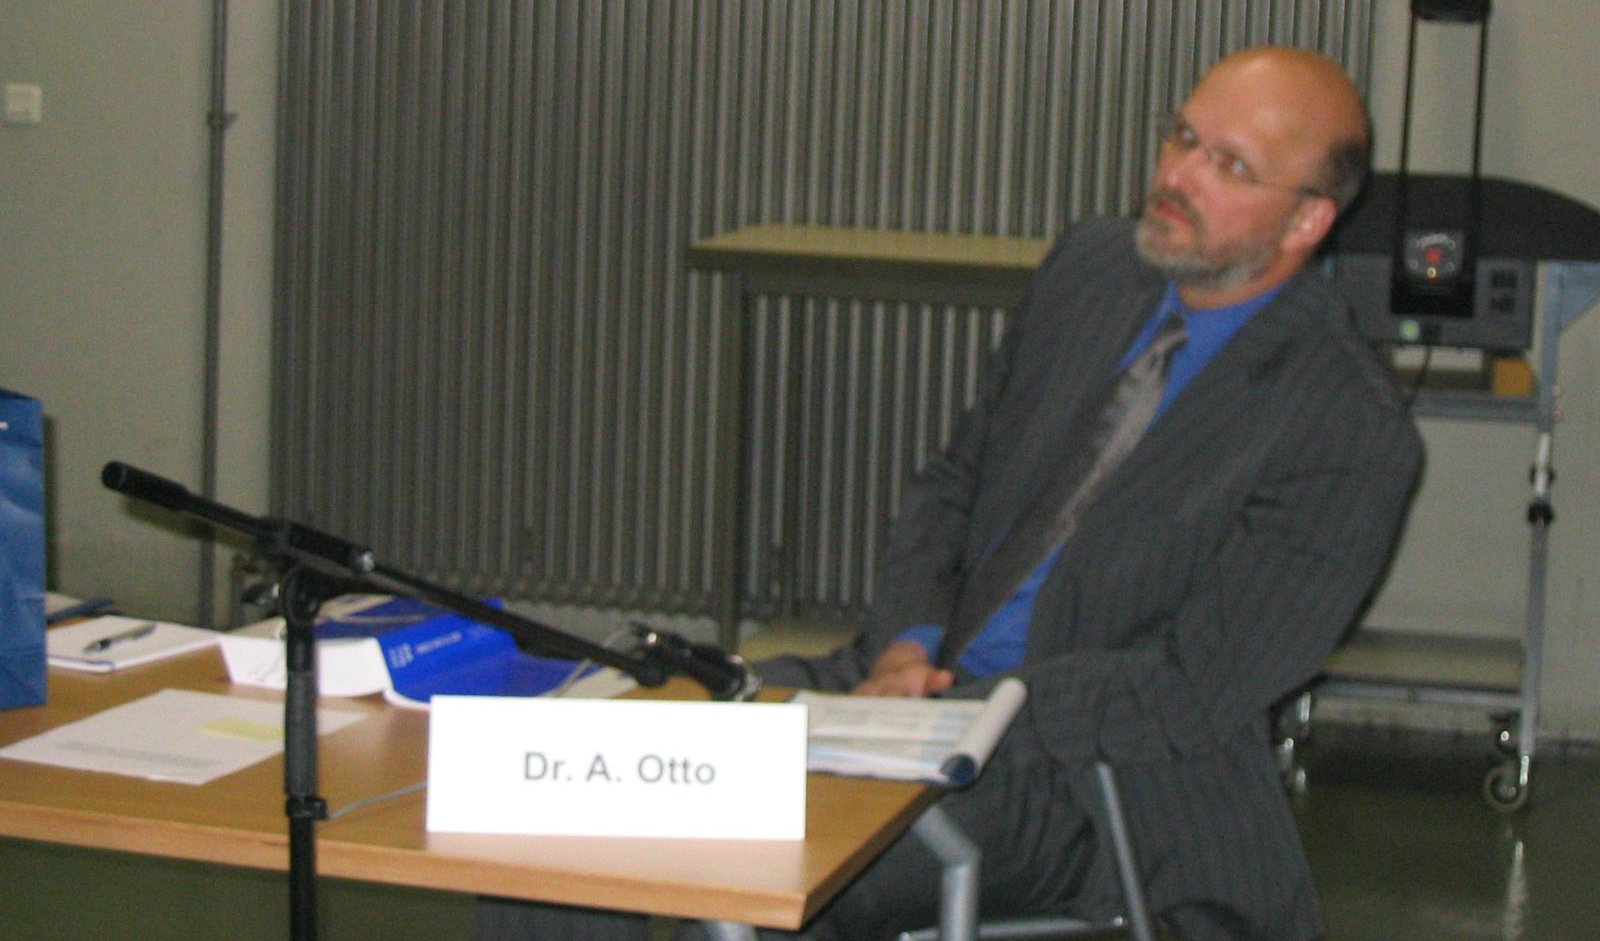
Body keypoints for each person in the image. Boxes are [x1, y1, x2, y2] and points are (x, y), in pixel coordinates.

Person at [475, 46, 1422, 941]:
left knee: (754, 861)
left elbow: (1193, 689)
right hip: (904, 693)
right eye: (1181, 136)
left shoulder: (1347, 425)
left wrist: (971, 711)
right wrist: (907, 644)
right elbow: (955, 484)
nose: (1178, 175)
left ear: (1307, 222)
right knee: (551, 804)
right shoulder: (1095, 269)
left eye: (1231, 166)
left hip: (1086, 773)